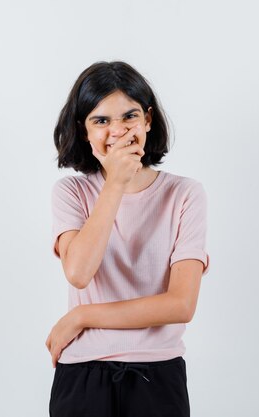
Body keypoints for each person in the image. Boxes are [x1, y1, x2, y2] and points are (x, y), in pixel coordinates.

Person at [45, 61, 210, 417]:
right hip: (83, 373)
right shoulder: (71, 192)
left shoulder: (185, 194)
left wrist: (82, 316)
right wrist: (115, 183)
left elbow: (181, 305)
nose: (117, 131)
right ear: (83, 130)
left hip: (158, 374)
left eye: (129, 116)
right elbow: (78, 272)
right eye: (101, 120)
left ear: (148, 120)